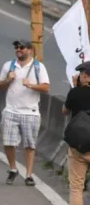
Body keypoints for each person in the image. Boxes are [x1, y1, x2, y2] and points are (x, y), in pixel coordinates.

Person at [0, 39, 50, 186]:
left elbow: (46, 88)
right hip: (10, 110)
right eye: (16, 47)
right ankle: (13, 168)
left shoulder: (38, 67)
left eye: (22, 47)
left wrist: (30, 85)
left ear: (30, 50)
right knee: (8, 143)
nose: (18, 49)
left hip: (30, 112)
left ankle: (29, 175)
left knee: (30, 145)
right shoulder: (9, 65)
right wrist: (8, 80)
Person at [62, 61, 90, 205]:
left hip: (79, 145)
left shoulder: (75, 93)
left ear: (84, 75)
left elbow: (64, 110)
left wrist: (75, 87)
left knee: (76, 188)